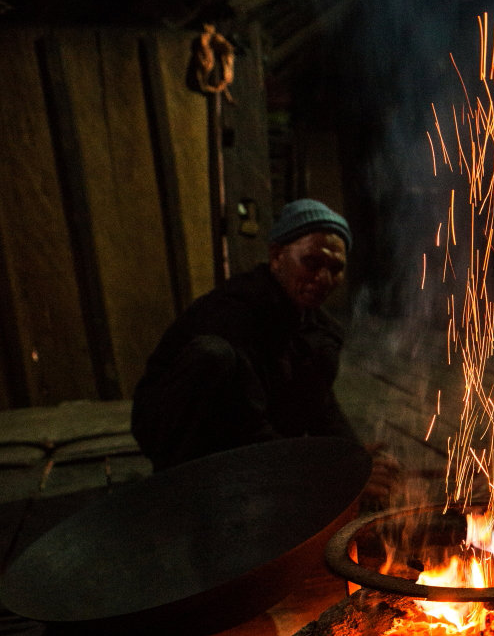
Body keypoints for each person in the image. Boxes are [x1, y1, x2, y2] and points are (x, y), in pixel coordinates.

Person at [131, 199, 394, 497]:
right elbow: (245, 421)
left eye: (335, 268)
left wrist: (352, 455)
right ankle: (181, 488)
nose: (323, 278)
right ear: (277, 256)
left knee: (317, 355)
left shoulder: (319, 330)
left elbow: (321, 403)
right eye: (311, 262)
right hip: (187, 433)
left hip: (252, 435)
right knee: (212, 356)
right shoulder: (233, 313)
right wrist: (326, 472)